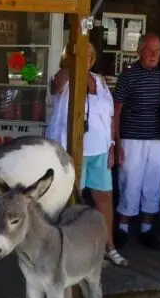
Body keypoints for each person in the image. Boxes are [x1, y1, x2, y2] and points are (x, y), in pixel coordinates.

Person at [44, 41, 128, 267]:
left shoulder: (99, 81)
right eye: (81, 54)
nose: (86, 57)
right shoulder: (63, 77)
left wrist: (111, 145)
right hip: (71, 150)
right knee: (71, 200)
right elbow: (56, 87)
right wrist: (73, 63)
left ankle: (108, 247)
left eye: (89, 53)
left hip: (99, 150)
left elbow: (109, 116)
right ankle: (69, 249)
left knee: (104, 198)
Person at [112, 32, 160, 251]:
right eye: (149, 50)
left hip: (158, 138)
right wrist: (116, 143)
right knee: (129, 182)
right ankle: (122, 229)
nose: (153, 54)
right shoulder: (128, 75)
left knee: (154, 184)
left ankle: (146, 230)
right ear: (139, 51)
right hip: (131, 138)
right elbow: (116, 111)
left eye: (157, 50)